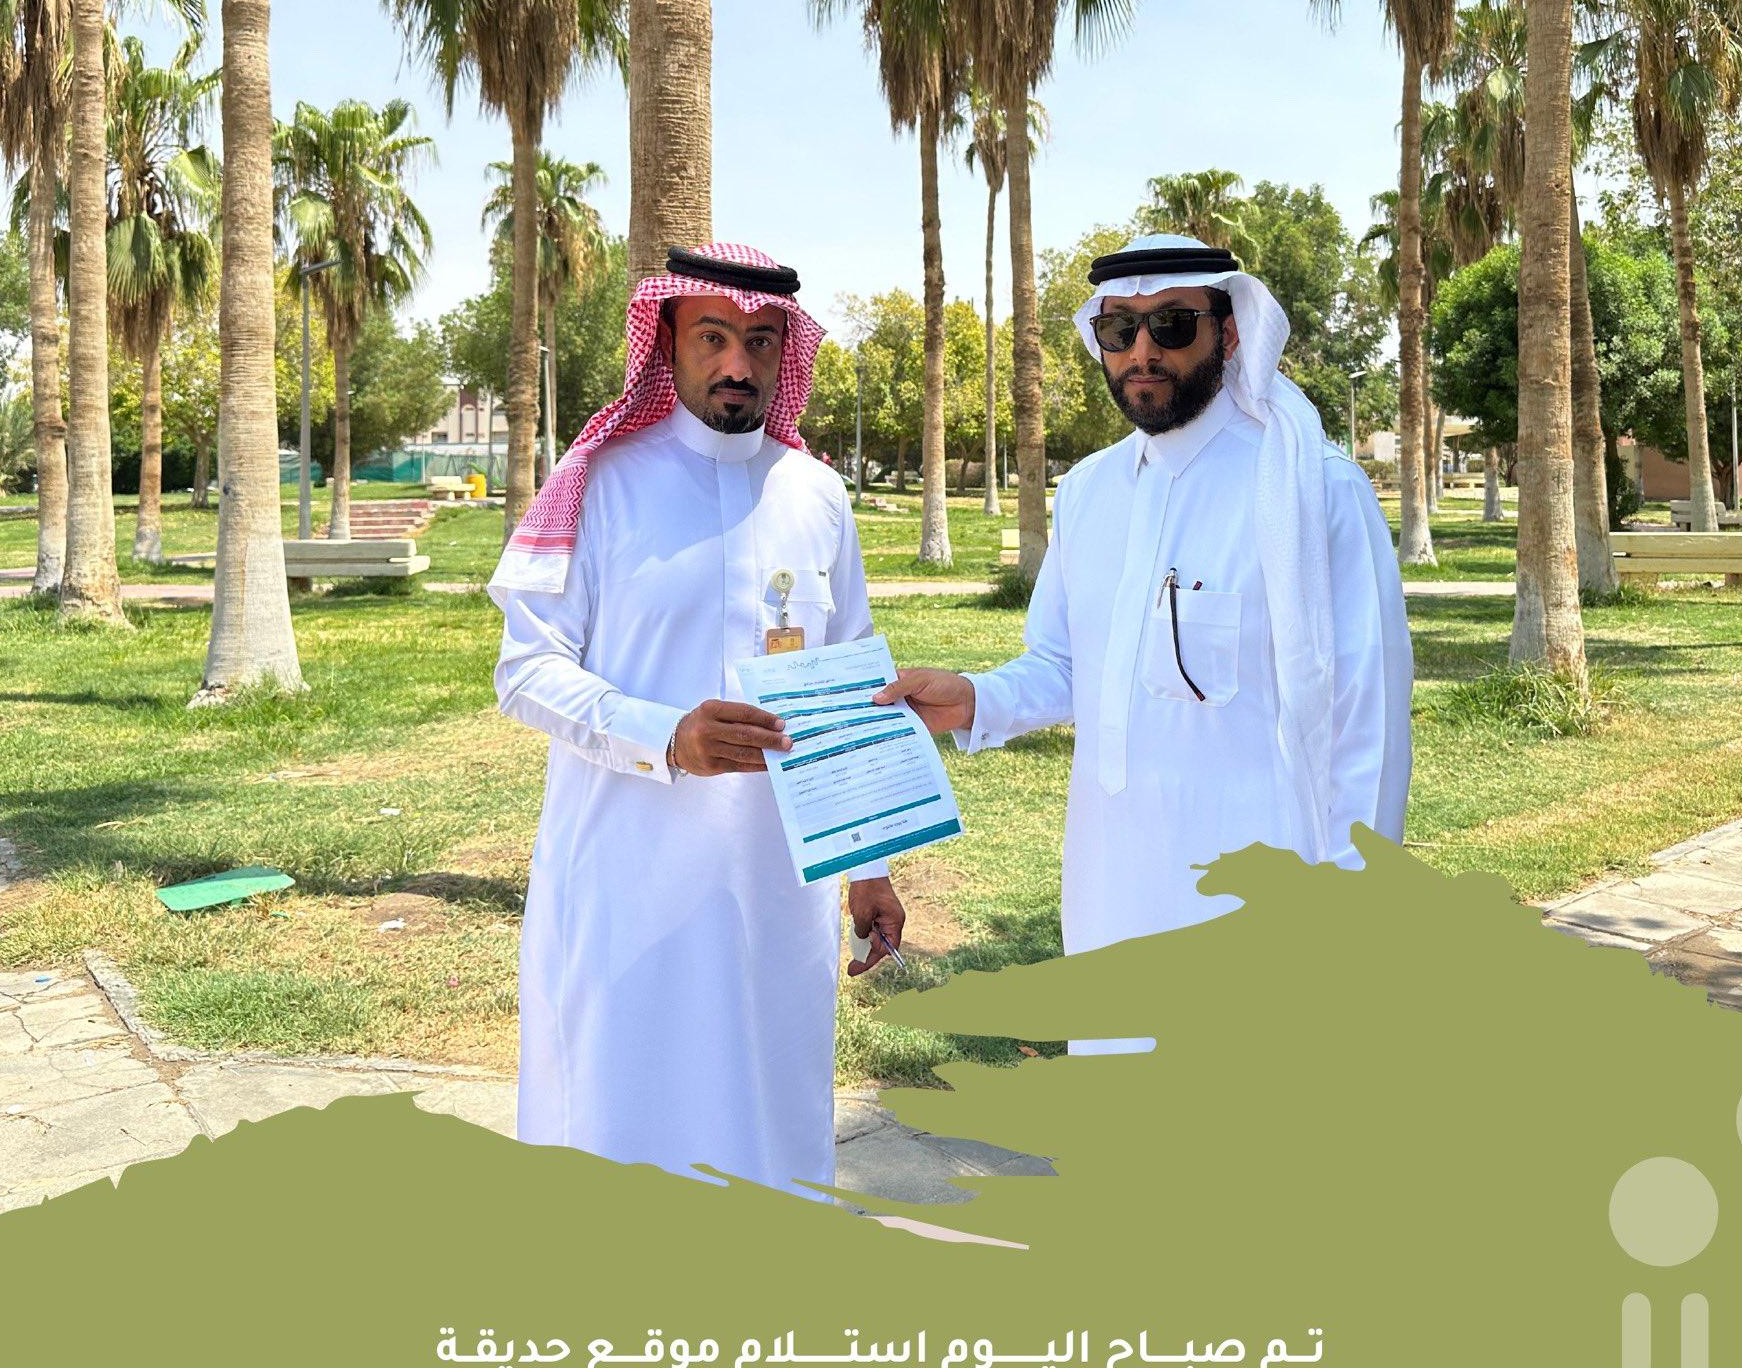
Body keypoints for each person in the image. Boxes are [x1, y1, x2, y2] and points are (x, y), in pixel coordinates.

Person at [878, 232, 1411, 1043]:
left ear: (1229, 331)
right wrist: (976, 699)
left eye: (1171, 324)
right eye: (1119, 329)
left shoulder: (1311, 490)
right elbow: (1067, 664)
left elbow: (1366, 721)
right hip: (1112, 890)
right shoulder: (1089, 491)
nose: (1142, 352)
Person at [491, 242, 905, 1194]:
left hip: (777, 886)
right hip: (626, 873)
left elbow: (851, 686)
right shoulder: (604, 481)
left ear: (785, 354)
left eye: (761, 343)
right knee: (620, 1109)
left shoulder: (817, 495)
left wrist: (871, 863)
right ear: (667, 342)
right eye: (713, 337)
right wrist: (666, 736)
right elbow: (525, 672)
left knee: (770, 1106)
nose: (737, 364)